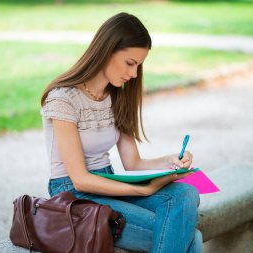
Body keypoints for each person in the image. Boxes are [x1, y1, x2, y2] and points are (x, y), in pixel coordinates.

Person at [40, 12, 203, 253]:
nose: (135, 74)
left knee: (187, 193)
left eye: (139, 65)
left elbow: (133, 163)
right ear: (107, 50)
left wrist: (170, 161)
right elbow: (80, 179)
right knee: (192, 236)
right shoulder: (63, 99)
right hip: (74, 195)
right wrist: (141, 189)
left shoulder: (116, 96)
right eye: (130, 63)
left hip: (110, 182)